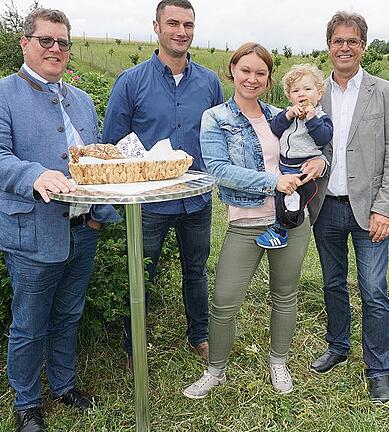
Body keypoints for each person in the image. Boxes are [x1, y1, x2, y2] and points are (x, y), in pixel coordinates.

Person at [0, 8, 120, 432]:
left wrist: (97, 218)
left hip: (82, 229)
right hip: (32, 232)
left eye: (63, 42)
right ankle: (27, 404)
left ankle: (64, 386)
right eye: (46, 40)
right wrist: (35, 174)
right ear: (25, 43)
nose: (56, 49)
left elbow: (95, 163)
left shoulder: (83, 100)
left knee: (68, 314)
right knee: (30, 322)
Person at [182, 42, 326, 399]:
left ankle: (278, 362)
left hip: (291, 219)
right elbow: (218, 169)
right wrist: (271, 181)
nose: (252, 78)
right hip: (246, 222)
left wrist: (322, 164)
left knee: (285, 295)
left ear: (269, 78)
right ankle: (215, 371)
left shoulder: (283, 114)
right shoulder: (216, 117)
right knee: (224, 301)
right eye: (245, 70)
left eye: (261, 72)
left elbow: (317, 148)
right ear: (232, 70)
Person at [101, 0, 223, 369]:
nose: (181, 32)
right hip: (148, 203)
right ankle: (132, 343)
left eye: (187, 24)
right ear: (156, 26)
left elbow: (220, 133)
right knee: (141, 273)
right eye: (173, 23)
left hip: (196, 200)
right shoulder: (131, 81)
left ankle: (200, 336)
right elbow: (112, 143)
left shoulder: (209, 82)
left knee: (196, 271)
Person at [307, 11, 389, 405]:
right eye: (338, 41)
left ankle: (378, 369)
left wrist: (385, 209)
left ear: (363, 46)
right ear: (329, 46)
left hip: (369, 212)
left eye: (352, 41)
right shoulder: (315, 94)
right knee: (332, 283)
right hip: (324, 207)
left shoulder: (388, 93)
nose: (344, 47)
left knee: (373, 290)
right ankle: (338, 345)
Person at [255, 63, 333, 249]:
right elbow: (275, 128)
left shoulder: (321, 117)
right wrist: (289, 115)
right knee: (281, 196)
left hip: (303, 167)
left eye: (307, 88)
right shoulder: (288, 114)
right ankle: (279, 225)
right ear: (290, 96)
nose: (301, 94)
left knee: (290, 200)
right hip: (284, 165)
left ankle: (281, 231)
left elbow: (323, 138)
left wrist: (311, 119)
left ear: (319, 93)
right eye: (295, 90)